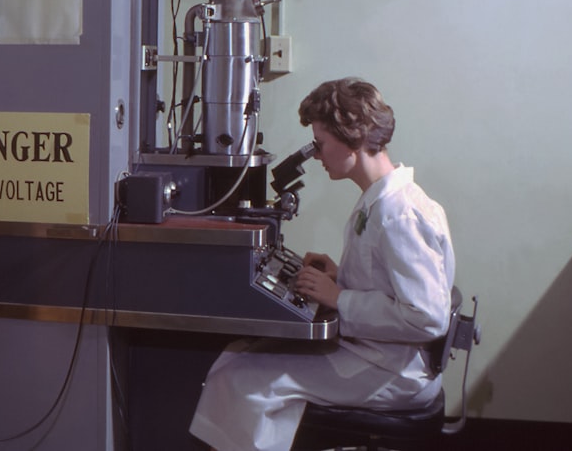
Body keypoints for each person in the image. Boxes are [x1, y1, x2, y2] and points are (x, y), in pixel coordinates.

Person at [189, 77, 455, 451]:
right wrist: (340, 277)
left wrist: (339, 297)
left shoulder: (399, 214)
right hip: (380, 353)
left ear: (353, 138)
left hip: (391, 371)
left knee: (243, 379)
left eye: (321, 143)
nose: (316, 155)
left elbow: (426, 316)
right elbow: (390, 282)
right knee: (235, 355)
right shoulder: (382, 201)